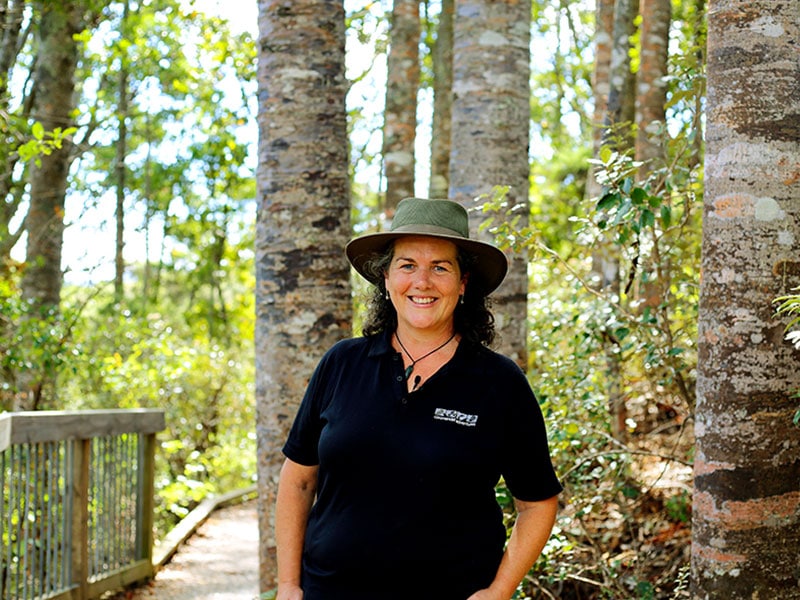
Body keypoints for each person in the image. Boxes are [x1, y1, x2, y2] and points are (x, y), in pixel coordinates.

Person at [275, 197, 562, 600]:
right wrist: (288, 585)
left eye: (440, 267)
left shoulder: (499, 381)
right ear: (387, 280)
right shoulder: (342, 363)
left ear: (463, 284)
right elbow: (299, 479)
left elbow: (536, 504)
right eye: (407, 265)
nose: (422, 282)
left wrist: (498, 591)